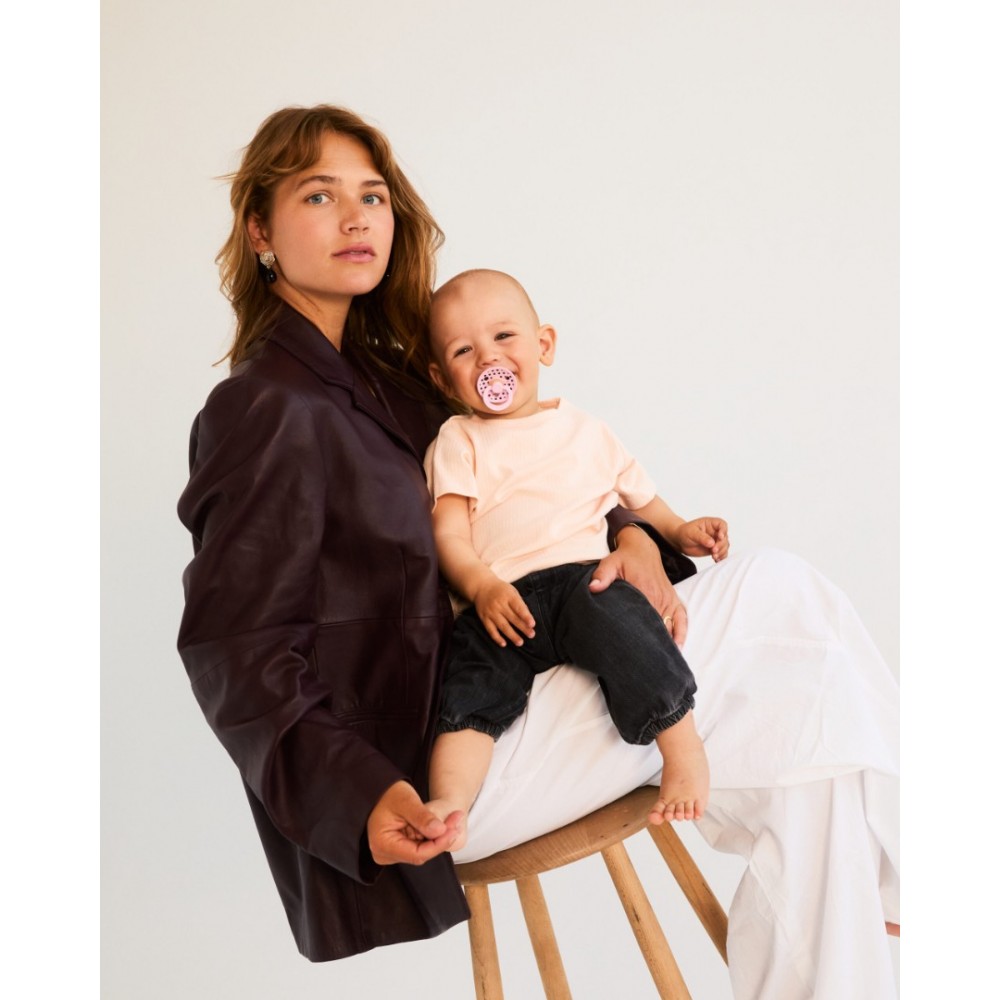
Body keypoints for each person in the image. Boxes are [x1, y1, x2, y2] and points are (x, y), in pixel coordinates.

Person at [178, 104, 899, 999]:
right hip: (441, 765)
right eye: (319, 196)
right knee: (781, 601)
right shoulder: (263, 407)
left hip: (520, 675)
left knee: (800, 719)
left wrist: (633, 537)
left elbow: (529, 483)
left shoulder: (391, 380)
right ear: (260, 230)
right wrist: (363, 796)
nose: (356, 217)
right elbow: (234, 651)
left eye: (373, 195)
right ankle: (907, 872)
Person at [422, 268, 724, 845]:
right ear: (442, 376)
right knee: (468, 685)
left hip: (582, 582)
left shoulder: (586, 430)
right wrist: (482, 588)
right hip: (503, 599)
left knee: (629, 630)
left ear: (544, 344)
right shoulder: (458, 439)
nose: (489, 359)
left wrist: (681, 530)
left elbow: (642, 502)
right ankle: (450, 801)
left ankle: (683, 748)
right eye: (464, 351)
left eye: (504, 337)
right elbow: (450, 537)